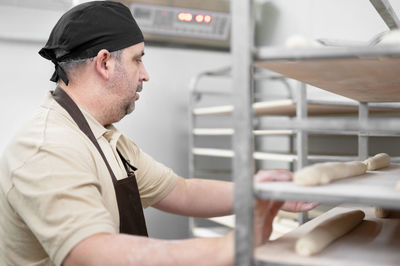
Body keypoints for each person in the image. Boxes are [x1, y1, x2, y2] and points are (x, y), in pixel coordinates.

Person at [0, 2, 316, 265]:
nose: (145, 74)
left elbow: (183, 191)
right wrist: (228, 247)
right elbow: (92, 254)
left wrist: (257, 191)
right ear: (105, 63)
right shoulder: (47, 147)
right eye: (138, 59)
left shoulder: (108, 139)